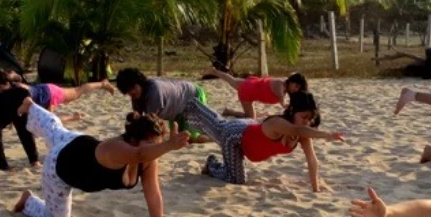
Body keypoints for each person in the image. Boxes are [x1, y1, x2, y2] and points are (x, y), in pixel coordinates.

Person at [11, 96, 189, 217]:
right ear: (133, 140)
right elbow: (139, 154)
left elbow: (153, 192)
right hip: (60, 164)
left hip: (76, 141)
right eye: (151, 144)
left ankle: (31, 107)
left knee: (56, 130)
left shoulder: (149, 157)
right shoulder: (117, 149)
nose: (155, 149)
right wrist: (168, 146)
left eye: (156, 144)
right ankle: (28, 202)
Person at [185, 93, 345, 191]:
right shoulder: (280, 123)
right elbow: (296, 130)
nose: (306, 122)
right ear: (292, 111)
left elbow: (312, 159)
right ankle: (211, 163)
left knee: (218, 123)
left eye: (310, 119)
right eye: (303, 117)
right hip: (236, 136)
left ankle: (193, 104)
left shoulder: (303, 131)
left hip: (251, 128)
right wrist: (327, 135)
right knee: (236, 179)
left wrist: (315, 188)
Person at [115, 67, 211, 143]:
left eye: (134, 87)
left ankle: (214, 138)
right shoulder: (136, 95)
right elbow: (137, 119)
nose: (132, 92)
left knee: (193, 138)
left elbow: (152, 124)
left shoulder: (154, 92)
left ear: (139, 83)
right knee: (180, 138)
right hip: (176, 109)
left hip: (193, 96)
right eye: (129, 91)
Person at [211, 69, 309, 118]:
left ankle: (216, 72)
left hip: (251, 84)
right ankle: (229, 112)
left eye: (298, 88)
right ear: (291, 82)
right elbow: (281, 100)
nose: (296, 89)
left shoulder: (285, 88)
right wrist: (286, 105)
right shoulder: (281, 84)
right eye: (296, 86)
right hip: (248, 92)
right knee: (250, 117)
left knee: (231, 80)